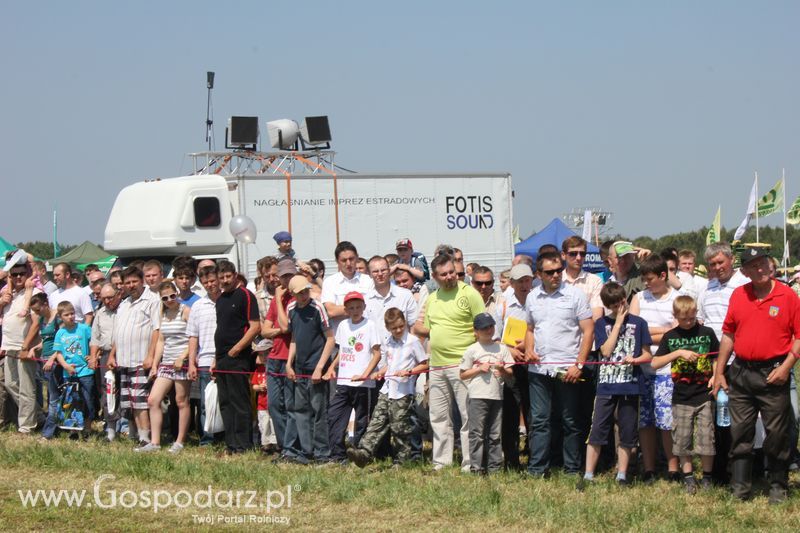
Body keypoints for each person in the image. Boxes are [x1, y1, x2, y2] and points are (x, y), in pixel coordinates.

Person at [713, 248, 800, 503]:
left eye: (763, 264)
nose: (760, 269)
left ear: (770, 265)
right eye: (753, 266)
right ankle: (740, 489)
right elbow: (728, 334)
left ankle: (778, 486)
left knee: (776, 433)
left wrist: (785, 367)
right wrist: (719, 372)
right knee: (740, 432)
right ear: (744, 271)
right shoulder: (740, 295)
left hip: (774, 372)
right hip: (741, 372)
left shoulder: (787, 295)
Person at [413, 253, 485, 471]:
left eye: (452, 272)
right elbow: (425, 329)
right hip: (436, 366)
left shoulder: (470, 294)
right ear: (434, 276)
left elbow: (482, 327)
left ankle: (469, 462)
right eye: (443, 274)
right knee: (439, 415)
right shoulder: (432, 299)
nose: (449, 277)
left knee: (466, 415)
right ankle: (441, 461)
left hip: (462, 365)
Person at [524, 251, 594, 476]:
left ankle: (572, 468)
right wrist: (528, 349)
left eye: (558, 270)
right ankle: (537, 468)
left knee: (570, 420)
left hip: (567, 369)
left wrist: (579, 364)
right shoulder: (532, 297)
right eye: (549, 272)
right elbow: (530, 329)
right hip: (538, 369)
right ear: (539, 274)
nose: (555, 275)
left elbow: (588, 330)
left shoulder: (575, 295)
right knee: (540, 420)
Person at [578, 282, 651, 490]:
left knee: (628, 431)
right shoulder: (601, 324)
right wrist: (618, 323)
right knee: (598, 429)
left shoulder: (639, 323)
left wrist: (636, 360)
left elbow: (647, 354)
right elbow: (606, 351)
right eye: (616, 304)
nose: (622, 307)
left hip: (630, 384)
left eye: (623, 302)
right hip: (607, 385)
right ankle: (588, 474)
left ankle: (622, 474)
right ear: (608, 305)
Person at [651, 295, 719, 494]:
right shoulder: (671, 337)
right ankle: (688, 477)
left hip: (704, 394)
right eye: (684, 319)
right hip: (681, 396)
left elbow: (716, 357)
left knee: (707, 437)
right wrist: (678, 353)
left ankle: (707, 476)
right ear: (676, 317)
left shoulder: (706, 333)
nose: (689, 322)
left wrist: (715, 375)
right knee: (682, 438)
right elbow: (655, 363)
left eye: (692, 318)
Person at [347, 308, 429, 468]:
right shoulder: (389, 342)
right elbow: (388, 366)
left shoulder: (412, 342)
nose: (398, 330)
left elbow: (425, 364)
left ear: (404, 323)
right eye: (394, 328)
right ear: (387, 328)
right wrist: (378, 373)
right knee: (376, 421)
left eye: (401, 326)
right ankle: (364, 453)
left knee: (400, 427)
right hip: (387, 390)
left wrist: (409, 371)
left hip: (403, 392)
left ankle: (402, 460)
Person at [696, 242, 748, 483]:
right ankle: (718, 469)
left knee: (740, 417)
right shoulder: (708, 288)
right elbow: (702, 322)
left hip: (739, 361)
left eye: (720, 262)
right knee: (717, 417)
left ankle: (742, 467)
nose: (717, 268)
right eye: (712, 264)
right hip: (713, 362)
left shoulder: (744, 286)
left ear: (730, 260)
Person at [630, 253, 683, 482]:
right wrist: (663, 332)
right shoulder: (639, 298)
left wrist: (648, 333)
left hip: (667, 370)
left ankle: (673, 468)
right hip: (642, 369)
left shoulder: (678, 299)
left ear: (663, 275)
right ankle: (649, 468)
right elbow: (633, 332)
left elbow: (678, 334)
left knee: (666, 420)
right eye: (643, 279)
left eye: (650, 278)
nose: (646, 283)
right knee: (646, 420)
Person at [284, 275, 336, 464]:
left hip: (317, 367)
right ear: (292, 294)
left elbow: (330, 339)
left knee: (319, 411)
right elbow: (294, 338)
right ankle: (306, 451)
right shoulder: (290, 309)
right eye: (299, 293)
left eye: (306, 291)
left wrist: (320, 368)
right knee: (301, 410)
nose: (304, 296)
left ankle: (322, 452)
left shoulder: (318, 308)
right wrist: (289, 363)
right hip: (299, 368)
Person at [136, 282, 192, 453]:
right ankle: (155, 442)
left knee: (181, 401)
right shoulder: (164, 313)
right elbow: (161, 341)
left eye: (172, 296)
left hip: (182, 362)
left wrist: (183, 357)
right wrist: (154, 364)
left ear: (177, 293)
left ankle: (180, 441)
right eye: (165, 298)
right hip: (166, 363)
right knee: (153, 400)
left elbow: (194, 337)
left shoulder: (186, 310)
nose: (169, 300)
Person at [327, 291, 382, 463]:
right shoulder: (343, 325)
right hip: (344, 381)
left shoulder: (370, 325)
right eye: (351, 308)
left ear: (364, 307)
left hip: (363, 384)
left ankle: (359, 454)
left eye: (358, 307)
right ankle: (337, 455)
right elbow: (342, 351)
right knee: (334, 416)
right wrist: (331, 367)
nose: (355, 310)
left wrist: (365, 374)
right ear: (346, 310)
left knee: (361, 421)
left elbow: (377, 354)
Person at [108, 266, 160, 445]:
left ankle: (146, 438)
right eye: (127, 282)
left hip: (140, 360)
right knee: (129, 402)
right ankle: (137, 435)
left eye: (134, 281)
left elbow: (157, 330)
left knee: (140, 401)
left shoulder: (152, 300)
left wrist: (150, 356)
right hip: (123, 360)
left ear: (142, 281)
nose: (131, 285)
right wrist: (112, 355)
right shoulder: (123, 303)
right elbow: (118, 332)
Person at [212, 261, 260, 454]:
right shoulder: (221, 299)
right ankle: (231, 443)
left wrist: (238, 348)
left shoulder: (246, 295)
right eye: (221, 278)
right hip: (222, 357)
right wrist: (216, 359)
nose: (225, 281)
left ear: (235, 275)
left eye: (228, 276)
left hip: (238, 357)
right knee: (225, 402)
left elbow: (255, 326)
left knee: (240, 401)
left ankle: (244, 445)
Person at [460, 313, 514, 474]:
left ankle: (495, 468)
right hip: (477, 395)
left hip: (496, 396)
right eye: (484, 327)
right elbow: (462, 374)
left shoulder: (502, 348)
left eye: (490, 326)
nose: (488, 330)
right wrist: (478, 369)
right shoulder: (472, 350)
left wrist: (502, 369)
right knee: (477, 433)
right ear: (475, 331)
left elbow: (510, 372)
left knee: (495, 434)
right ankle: (477, 467)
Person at [261, 259, 299, 459]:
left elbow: (286, 326)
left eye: (289, 275)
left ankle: (292, 449)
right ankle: (285, 448)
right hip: (274, 358)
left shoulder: (297, 299)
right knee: (274, 405)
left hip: (290, 359)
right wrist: (277, 331)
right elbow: (265, 330)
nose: (285, 279)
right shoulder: (279, 298)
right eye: (283, 276)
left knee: (291, 406)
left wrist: (277, 298)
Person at [0, 259, 42, 433]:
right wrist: (3, 300)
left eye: (21, 274)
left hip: (24, 347)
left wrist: (26, 347)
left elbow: (36, 323)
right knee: (11, 385)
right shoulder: (9, 294)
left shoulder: (34, 293)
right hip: (8, 346)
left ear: (28, 274)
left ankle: (27, 426)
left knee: (26, 388)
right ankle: (38, 416)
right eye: (14, 274)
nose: (18, 277)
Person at [499, 264, 534, 470]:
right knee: (510, 414)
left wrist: (529, 344)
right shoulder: (503, 305)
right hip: (510, 366)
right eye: (519, 281)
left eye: (527, 280)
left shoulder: (538, 300)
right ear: (511, 283)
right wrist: (509, 350)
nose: (524, 284)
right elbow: (493, 336)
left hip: (532, 364)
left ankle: (534, 457)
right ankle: (511, 460)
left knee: (533, 414)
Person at [186, 265, 220, 445]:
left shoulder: (227, 300)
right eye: (205, 282)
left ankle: (227, 437)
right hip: (205, 360)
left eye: (213, 281)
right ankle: (208, 439)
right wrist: (192, 363)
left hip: (227, 360)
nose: (210, 285)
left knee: (227, 402)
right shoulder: (198, 306)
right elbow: (193, 336)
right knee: (207, 404)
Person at [52, 301, 95, 436]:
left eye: (72, 313)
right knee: (71, 400)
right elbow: (58, 353)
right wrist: (65, 366)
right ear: (60, 317)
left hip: (85, 371)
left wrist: (93, 356)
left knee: (87, 399)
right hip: (69, 372)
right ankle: (73, 428)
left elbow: (94, 343)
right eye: (66, 315)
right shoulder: (60, 333)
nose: (70, 317)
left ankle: (87, 428)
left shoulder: (84, 328)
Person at [89, 283, 122, 441]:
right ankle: (110, 428)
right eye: (104, 298)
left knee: (124, 391)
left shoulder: (125, 310)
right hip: (105, 354)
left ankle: (128, 426)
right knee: (106, 391)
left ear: (118, 295)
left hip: (123, 354)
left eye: (110, 297)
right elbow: (95, 338)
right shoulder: (100, 313)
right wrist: (94, 356)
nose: (108, 301)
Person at [321, 241, 375, 334]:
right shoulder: (330, 282)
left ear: (357, 257)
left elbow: (373, 307)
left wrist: (344, 310)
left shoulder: (369, 281)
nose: (348, 263)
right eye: (344, 260)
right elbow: (331, 311)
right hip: (341, 340)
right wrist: (360, 308)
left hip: (366, 336)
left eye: (351, 259)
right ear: (337, 261)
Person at [29, 293, 61, 439]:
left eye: (38, 310)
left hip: (55, 362)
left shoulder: (57, 318)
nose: (36, 313)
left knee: (53, 398)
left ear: (45, 304)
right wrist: (34, 348)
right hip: (44, 360)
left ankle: (48, 432)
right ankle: (56, 426)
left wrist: (52, 359)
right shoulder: (42, 319)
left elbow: (62, 341)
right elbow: (46, 340)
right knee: (49, 396)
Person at [364, 256, 418, 339]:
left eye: (383, 270)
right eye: (375, 271)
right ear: (369, 274)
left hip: (402, 350)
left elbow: (413, 326)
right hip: (377, 351)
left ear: (389, 270)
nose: (380, 274)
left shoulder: (406, 295)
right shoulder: (365, 300)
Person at [561, 236, 604, 320]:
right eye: (573, 254)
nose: (578, 258)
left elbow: (596, 317)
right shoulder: (555, 280)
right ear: (563, 255)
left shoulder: (595, 281)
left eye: (582, 254)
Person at [251, 352, 277, 452]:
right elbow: (254, 385)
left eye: (265, 354)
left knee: (273, 423)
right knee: (264, 424)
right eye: (261, 355)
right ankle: (266, 445)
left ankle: (275, 444)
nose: (263, 357)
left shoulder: (274, 369)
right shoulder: (258, 370)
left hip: (272, 403)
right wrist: (259, 387)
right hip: (262, 404)